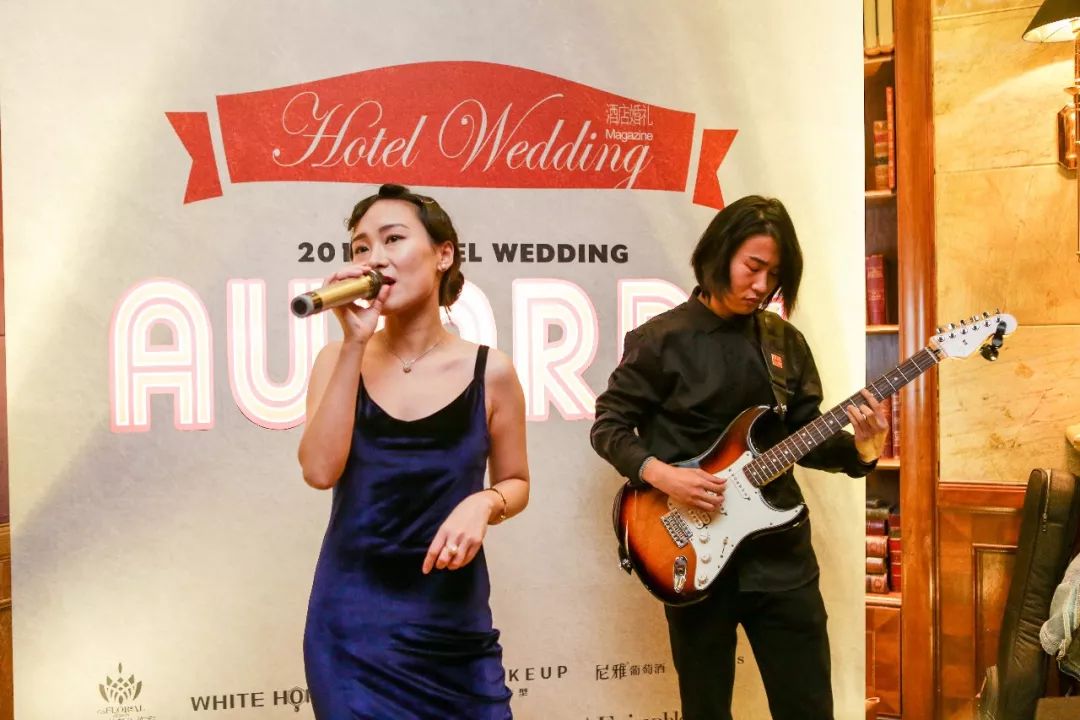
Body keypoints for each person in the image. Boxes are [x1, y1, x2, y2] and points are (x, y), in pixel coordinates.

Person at [590, 195, 889, 720]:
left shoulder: (784, 342)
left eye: (774, 275)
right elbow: (608, 426)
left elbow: (804, 434)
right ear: (720, 253)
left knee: (808, 708)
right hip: (693, 552)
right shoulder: (660, 339)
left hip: (782, 558)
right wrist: (664, 475)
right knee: (706, 710)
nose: (761, 286)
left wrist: (863, 451)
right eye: (753, 267)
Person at [298, 183, 529, 719]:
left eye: (393, 239)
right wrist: (355, 343)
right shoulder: (337, 359)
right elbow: (318, 470)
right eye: (361, 247)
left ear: (443, 254)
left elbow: (516, 482)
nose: (375, 258)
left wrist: (484, 502)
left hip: (453, 623)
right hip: (352, 629)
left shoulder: (491, 371)